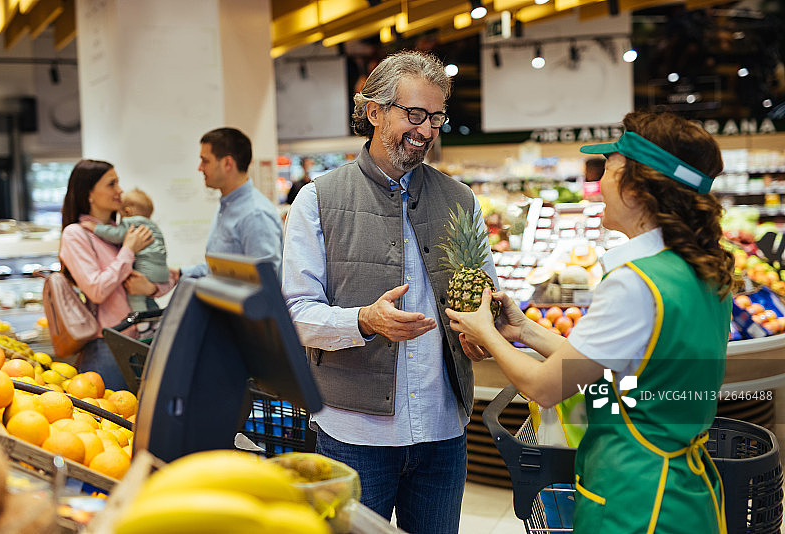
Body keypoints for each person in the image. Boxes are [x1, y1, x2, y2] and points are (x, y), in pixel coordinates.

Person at [446, 111, 733, 534]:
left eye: (610, 169)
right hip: (685, 491)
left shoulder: (636, 284)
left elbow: (546, 388)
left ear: (639, 188)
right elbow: (620, 369)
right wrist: (523, 330)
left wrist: (484, 330)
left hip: (636, 500)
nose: (598, 183)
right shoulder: (702, 269)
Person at [281, 50, 498, 534]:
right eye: (414, 114)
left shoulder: (461, 200)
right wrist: (363, 321)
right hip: (355, 432)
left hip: (444, 431)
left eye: (436, 117)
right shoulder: (317, 199)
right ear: (375, 111)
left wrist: (487, 330)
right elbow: (295, 312)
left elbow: (487, 295)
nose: (425, 130)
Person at [59, 160, 178, 389]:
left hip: (145, 341)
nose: (120, 191)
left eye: (118, 183)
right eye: (111, 184)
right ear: (89, 194)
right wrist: (128, 251)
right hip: (108, 346)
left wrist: (150, 289)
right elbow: (96, 290)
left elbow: (164, 274)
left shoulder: (124, 231)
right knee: (113, 419)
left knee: (142, 420)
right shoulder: (76, 235)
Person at [180, 127, 283, 280]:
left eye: (205, 160)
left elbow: (266, 284)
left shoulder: (256, 214)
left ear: (227, 163)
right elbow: (219, 270)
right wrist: (179, 274)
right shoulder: (227, 207)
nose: (200, 168)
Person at [81, 188, 169, 313]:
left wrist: (95, 228)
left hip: (145, 270)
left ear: (127, 211)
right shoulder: (153, 225)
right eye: (112, 184)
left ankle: (142, 325)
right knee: (148, 300)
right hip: (162, 271)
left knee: (136, 297)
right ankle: (153, 322)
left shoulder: (131, 223)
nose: (119, 190)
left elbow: (115, 234)